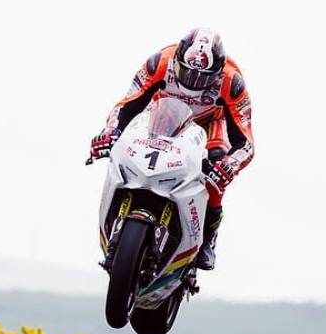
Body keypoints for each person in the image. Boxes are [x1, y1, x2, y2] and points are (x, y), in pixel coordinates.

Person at [89, 28, 254, 270]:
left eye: (202, 78)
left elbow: (246, 143)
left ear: (217, 73)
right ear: (177, 59)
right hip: (162, 113)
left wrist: (229, 165)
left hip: (209, 124)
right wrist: (110, 132)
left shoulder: (232, 82)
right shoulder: (159, 63)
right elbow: (126, 105)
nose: (193, 83)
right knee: (126, 143)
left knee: (217, 167)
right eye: (187, 73)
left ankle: (208, 239)